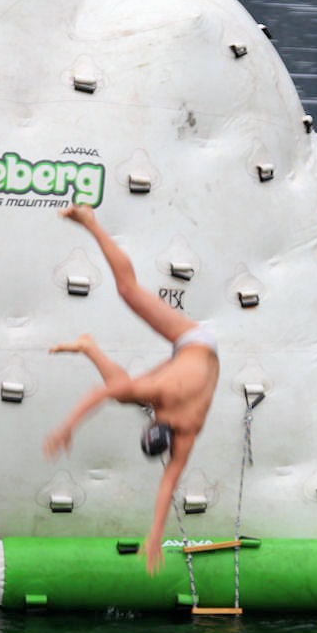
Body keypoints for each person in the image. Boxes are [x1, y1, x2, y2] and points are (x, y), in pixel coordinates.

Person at [42, 205, 219, 574]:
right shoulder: (159, 394)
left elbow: (170, 481)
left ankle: (90, 347)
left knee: (123, 392)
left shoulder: (185, 431)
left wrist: (155, 534)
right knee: (128, 290)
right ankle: (91, 222)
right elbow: (99, 394)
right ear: (156, 421)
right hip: (191, 340)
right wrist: (67, 427)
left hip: (195, 362)